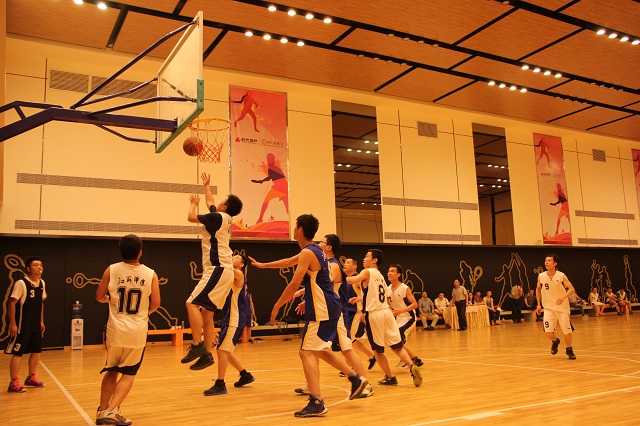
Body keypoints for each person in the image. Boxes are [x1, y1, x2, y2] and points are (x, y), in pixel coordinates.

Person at [250, 214, 368, 417]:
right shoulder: (315, 251)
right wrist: (263, 265)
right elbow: (289, 261)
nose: (293, 229)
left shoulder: (309, 252)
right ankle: (355, 378)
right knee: (318, 350)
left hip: (322, 309)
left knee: (306, 352)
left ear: (300, 230)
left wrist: (277, 306)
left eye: (295, 226)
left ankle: (317, 401)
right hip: (330, 307)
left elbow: (294, 283)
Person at [95, 234, 161, 425]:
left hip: (115, 330)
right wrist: (143, 313)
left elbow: (99, 296)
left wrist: (110, 300)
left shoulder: (111, 269)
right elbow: (156, 303)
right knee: (129, 373)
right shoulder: (150, 274)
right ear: (140, 252)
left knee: (111, 371)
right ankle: (112, 410)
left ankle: (102, 411)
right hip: (136, 332)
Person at [182, 173, 243, 371]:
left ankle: (197, 345)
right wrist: (206, 186)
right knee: (206, 315)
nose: (219, 202)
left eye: (223, 201)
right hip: (224, 270)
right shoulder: (222, 218)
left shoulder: (217, 218)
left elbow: (191, 217)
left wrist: (193, 204)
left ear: (225, 207)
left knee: (191, 304)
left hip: (217, 269)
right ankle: (207, 354)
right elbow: (211, 202)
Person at [346, 249, 422, 388]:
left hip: (374, 314)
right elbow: (378, 295)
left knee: (377, 350)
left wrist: (333, 275)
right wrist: (361, 299)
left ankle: (390, 377)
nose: (364, 259)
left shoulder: (367, 271)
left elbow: (352, 280)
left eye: (367, 256)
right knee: (397, 346)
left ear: (374, 260)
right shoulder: (380, 275)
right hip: (386, 312)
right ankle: (411, 365)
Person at [204, 254, 256, 396]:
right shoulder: (230, 275)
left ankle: (220, 384)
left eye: (236, 257)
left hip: (235, 318)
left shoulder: (238, 274)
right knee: (225, 350)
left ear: (241, 265)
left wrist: (220, 254)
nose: (233, 257)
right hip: (230, 317)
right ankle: (245, 375)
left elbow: (222, 269)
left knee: (221, 350)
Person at [6, 257, 47, 393]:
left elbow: (41, 303)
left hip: (35, 325)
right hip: (22, 326)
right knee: (18, 353)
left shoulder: (42, 283)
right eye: (36, 265)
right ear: (28, 269)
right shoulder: (21, 283)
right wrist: (13, 323)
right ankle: (13, 382)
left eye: (40, 265)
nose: (39, 267)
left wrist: (41, 321)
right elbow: (12, 304)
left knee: (36, 351)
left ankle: (31, 377)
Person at [535, 254, 576, 360]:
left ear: (555, 263)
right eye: (545, 260)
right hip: (548, 308)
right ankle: (555, 341)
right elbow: (538, 289)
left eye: (549, 260)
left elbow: (571, 289)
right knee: (547, 331)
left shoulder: (561, 276)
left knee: (567, 331)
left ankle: (569, 349)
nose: (546, 262)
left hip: (562, 308)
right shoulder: (541, 276)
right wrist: (538, 304)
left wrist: (563, 297)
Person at [343, 257, 377, 371]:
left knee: (347, 340)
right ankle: (372, 356)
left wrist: (364, 311)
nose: (345, 264)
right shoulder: (345, 280)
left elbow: (368, 295)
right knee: (351, 340)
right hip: (346, 313)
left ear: (355, 266)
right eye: (345, 263)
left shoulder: (357, 279)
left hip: (355, 313)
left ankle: (350, 367)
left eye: (348, 263)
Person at [387, 264, 423, 368]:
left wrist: (401, 311)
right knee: (393, 340)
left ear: (398, 274)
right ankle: (415, 359)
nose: (389, 273)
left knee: (397, 336)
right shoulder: (387, 289)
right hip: (397, 318)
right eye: (389, 271)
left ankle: (406, 359)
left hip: (408, 317)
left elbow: (414, 304)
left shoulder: (404, 288)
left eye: (392, 271)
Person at [251, 153, 289, 224]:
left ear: (273, 160)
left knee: (285, 205)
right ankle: (260, 218)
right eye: (268, 159)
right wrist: (261, 181)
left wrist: (260, 181)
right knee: (266, 201)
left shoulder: (275, 168)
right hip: (279, 188)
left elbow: (270, 178)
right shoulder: (272, 169)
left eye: (270, 159)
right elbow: (270, 178)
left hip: (280, 188)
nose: (269, 161)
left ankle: (260, 218)